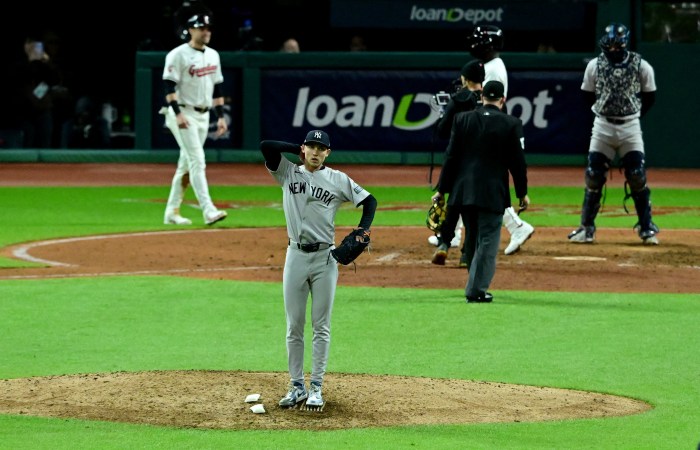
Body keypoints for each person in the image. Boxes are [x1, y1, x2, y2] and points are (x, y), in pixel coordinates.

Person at [260, 130, 377, 408]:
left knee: (321, 326)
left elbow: (370, 201)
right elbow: (267, 145)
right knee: (294, 326)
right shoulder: (287, 172)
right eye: (310, 147)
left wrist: (364, 228)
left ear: (328, 152)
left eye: (320, 148)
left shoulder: (338, 179)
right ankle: (297, 385)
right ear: (304, 149)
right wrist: (295, 148)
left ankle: (316, 388)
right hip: (295, 256)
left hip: (326, 258)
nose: (315, 152)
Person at [431, 81, 529, 303]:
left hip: (463, 192)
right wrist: (522, 193)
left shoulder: (462, 119)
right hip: (492, 193)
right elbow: (518, 163)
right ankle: (476, 290)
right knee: (487, 242)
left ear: (481, 97)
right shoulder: (511, 123)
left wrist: (442, 190)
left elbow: (451, 158)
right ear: (502, 100)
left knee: (474, 239)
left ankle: (474, 284)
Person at [568, 23, 659, 245]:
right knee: (593, 175)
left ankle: (646, 228)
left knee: (637, 175)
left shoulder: (641, 65)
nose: (612, 49)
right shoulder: (595, 65)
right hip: (603, 125)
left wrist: (632, 115)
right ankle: (586, 228)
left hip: (630, 126)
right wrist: (604, 111)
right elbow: (587, 94)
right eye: (609, 44)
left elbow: (650, 96)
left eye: (615, 44)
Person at [464, 25, 535, 255]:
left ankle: (517, 227)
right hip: (490, 127)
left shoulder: (493, 69)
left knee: (477, 181)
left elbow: (485, 101)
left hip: (488, 130)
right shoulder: (493, 65)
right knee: (469, 181)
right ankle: (452, 235)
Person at [161, 13, 228, 226]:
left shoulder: (213, 55)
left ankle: (171, 212)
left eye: (208, 28)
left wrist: (220, 117)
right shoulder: (177, 55)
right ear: (191, 30)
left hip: (203, 114)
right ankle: (208, 210)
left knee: (186, 165)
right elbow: (168, 87)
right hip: (182, 112)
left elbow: (217, 88)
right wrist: (178, 114)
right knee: (197, 160)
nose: (206, 31)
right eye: (201, 28)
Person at [428, 60, 486, 266]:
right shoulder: (490, 99)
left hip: (460, 158)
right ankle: (466, 253)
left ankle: (444, 243)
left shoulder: (459, 98)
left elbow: (443, 131)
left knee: (455, 202)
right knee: (475, 209)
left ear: (465, 78)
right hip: (485, 162)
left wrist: (443, 114)